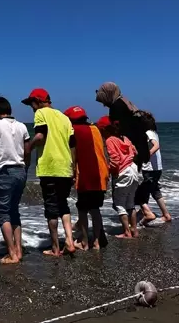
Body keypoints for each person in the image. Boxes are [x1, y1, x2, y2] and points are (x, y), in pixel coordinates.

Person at [22, 88, 76, 256]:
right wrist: (73, 167)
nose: (31, 107)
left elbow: (40, 136)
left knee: (51, 208)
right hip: (65, 167)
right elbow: (73, 144)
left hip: (50, 167)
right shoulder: (64, 117)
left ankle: (55, 248)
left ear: (37, 101)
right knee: (63, 204)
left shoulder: (40, 113)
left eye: (31, 103)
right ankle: (69, 240)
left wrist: (28, 148)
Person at [0, 96, 31, 264]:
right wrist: (25, 169)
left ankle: (11, 253)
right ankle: (18, 250)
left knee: (3, 212)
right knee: (14, 211)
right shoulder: (22, 126)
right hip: (20, 171)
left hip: (5, 172)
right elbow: (27, 150)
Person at [63, 106, 109, 250]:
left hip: (85, 175)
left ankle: (84, 242)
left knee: (82, 209)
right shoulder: (96, 129)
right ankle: (96, 241)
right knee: (95, 209)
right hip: (101, 174)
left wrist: (71, 174)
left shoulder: (73, 131)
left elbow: (73, 154)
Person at [97, 116, 139, 239]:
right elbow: (135, 152)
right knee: (130, 203)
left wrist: (111, 172)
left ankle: (126, 232)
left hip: (123, 172)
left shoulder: (110, 140)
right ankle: (134, 230)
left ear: (105, 130)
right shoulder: (125, 138)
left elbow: (115, 160)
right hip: (133, 169)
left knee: (120, 204)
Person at [95, 82, 149, 170]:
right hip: (138, 148)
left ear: (109, 95)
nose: (104, 105)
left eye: (104, 101)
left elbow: (120, 130)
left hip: (129, 152)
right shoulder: (126, 102)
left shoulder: (116, 107)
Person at [135, 111, 172, 224]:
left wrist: (147, 155)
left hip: (150, 169)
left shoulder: (148, 133)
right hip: (157, 168)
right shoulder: (153, 132)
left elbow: (156, 146)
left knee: (139, 195)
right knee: (155, 191)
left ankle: (148, 214)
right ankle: (166, 215)